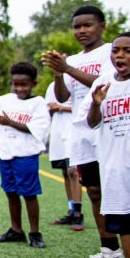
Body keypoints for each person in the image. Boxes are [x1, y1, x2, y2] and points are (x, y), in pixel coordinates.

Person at [41, 6, 119, 258]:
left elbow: (106, 84)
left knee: (120, 190)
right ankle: (109, 250)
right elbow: (63, 97)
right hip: (81, 131)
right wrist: (59, 73)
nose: (81, 31)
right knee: (94, 191)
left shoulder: (112, 51)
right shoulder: (72, 60)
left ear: (102, 26)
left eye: (88, 25)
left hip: (109, 127)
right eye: (77, 26)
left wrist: (67, 68)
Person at [85, 33, 130, 258]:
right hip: (115, 165)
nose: (119, 55)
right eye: (116, 51)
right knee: (126, 222)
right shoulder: (103, 83)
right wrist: (96, 105)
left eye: (128, 50)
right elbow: (92, 122)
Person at [0, 62, 51, 248]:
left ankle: (35, 233)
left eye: (24, 84)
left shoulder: (38, 103)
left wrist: (8, 121)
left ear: (33, 84)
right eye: (15, 84)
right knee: (10, 192)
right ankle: (16, 230)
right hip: (6, 154)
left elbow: (36, 129)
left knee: (28, 194)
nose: (19, 88)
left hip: (26, 155)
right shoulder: (5, 100)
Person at [45, 85, 85, 230]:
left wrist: (62, 107)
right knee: (64, 172)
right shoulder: (52, 86)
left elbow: (84, 107)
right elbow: (48, 106)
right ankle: (71, 209)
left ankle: (78, 214)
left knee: (73, 171)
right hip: (58, 129)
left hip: (73, 129)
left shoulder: (77, 82)